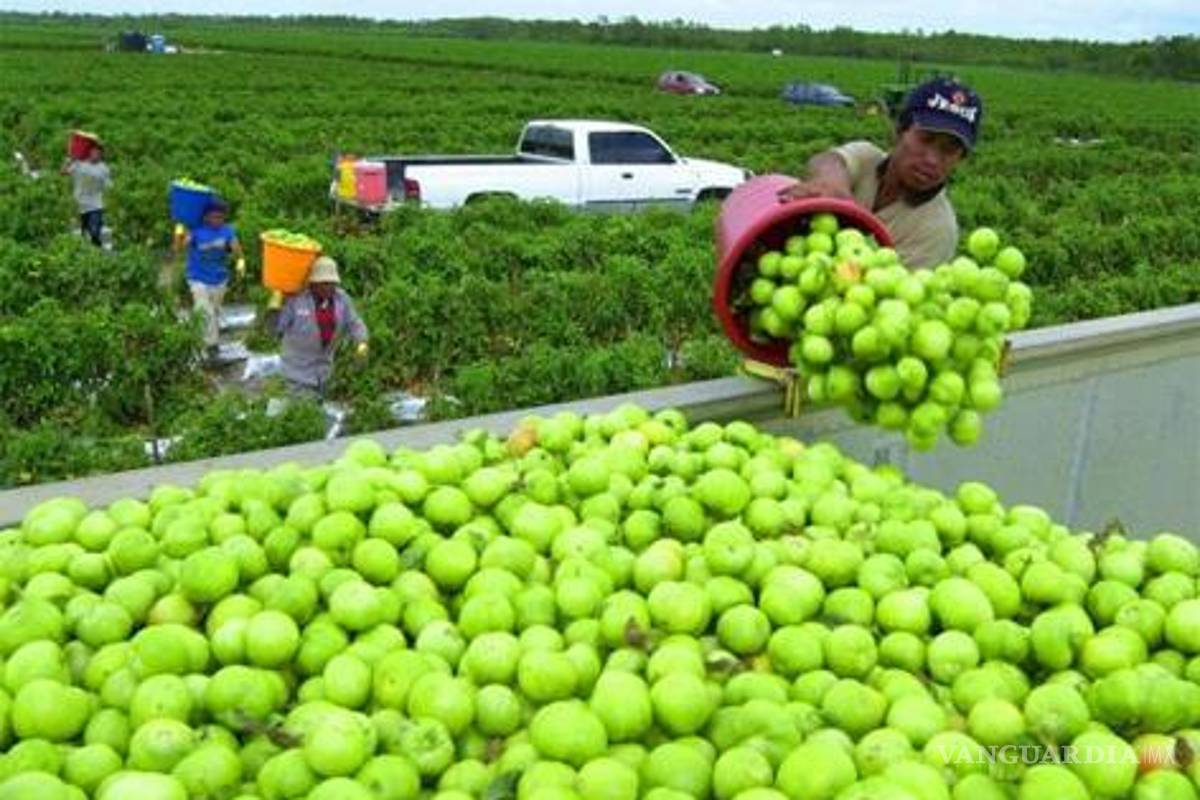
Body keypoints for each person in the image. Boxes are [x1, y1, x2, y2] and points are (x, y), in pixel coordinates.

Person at [780, 78, 983, 269]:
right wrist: (830, 181)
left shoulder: (935, 230)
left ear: (960, 158)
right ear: (899, 131)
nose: (932, 160)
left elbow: (891, 297)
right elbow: (828, 160)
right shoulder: (868, 158)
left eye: (949, 150)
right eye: (926, 139)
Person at [270, 256, 369, 399]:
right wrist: (275, 305)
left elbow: (354, 322)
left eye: (332, 283)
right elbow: (275, 328)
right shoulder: (297, 300)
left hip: (323, 372)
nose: (329, 287)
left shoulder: (341, 299)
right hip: (296, 374)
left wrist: (362, 341)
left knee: (318, 409)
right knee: (302, 414)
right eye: (324, 283)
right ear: (313, 283)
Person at [175, 198, 245, 360]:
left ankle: (196, 332)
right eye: (213, 217)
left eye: (220, 217)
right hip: (197, 277)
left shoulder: (227, 230)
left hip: (219, 278)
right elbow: (178, 249)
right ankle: (212, 347)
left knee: (213, 311)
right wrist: (179, 231)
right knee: (205, 310)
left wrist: (240, 263)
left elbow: (236, 249)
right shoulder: (196, 231)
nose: (217, 220)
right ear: (206, 217)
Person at [60, 141, 112, 247]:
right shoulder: (79, 164)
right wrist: (68, 161)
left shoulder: (104, 168)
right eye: (93, 152)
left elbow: (109, 186)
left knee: (94, 232)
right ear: (89, 152)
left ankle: (98, 253)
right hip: (81, 205)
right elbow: (63, 172)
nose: (95, 155)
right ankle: (91, 256)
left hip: (96, 206)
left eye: (98, 153)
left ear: (101, 155)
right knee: (85, 234)